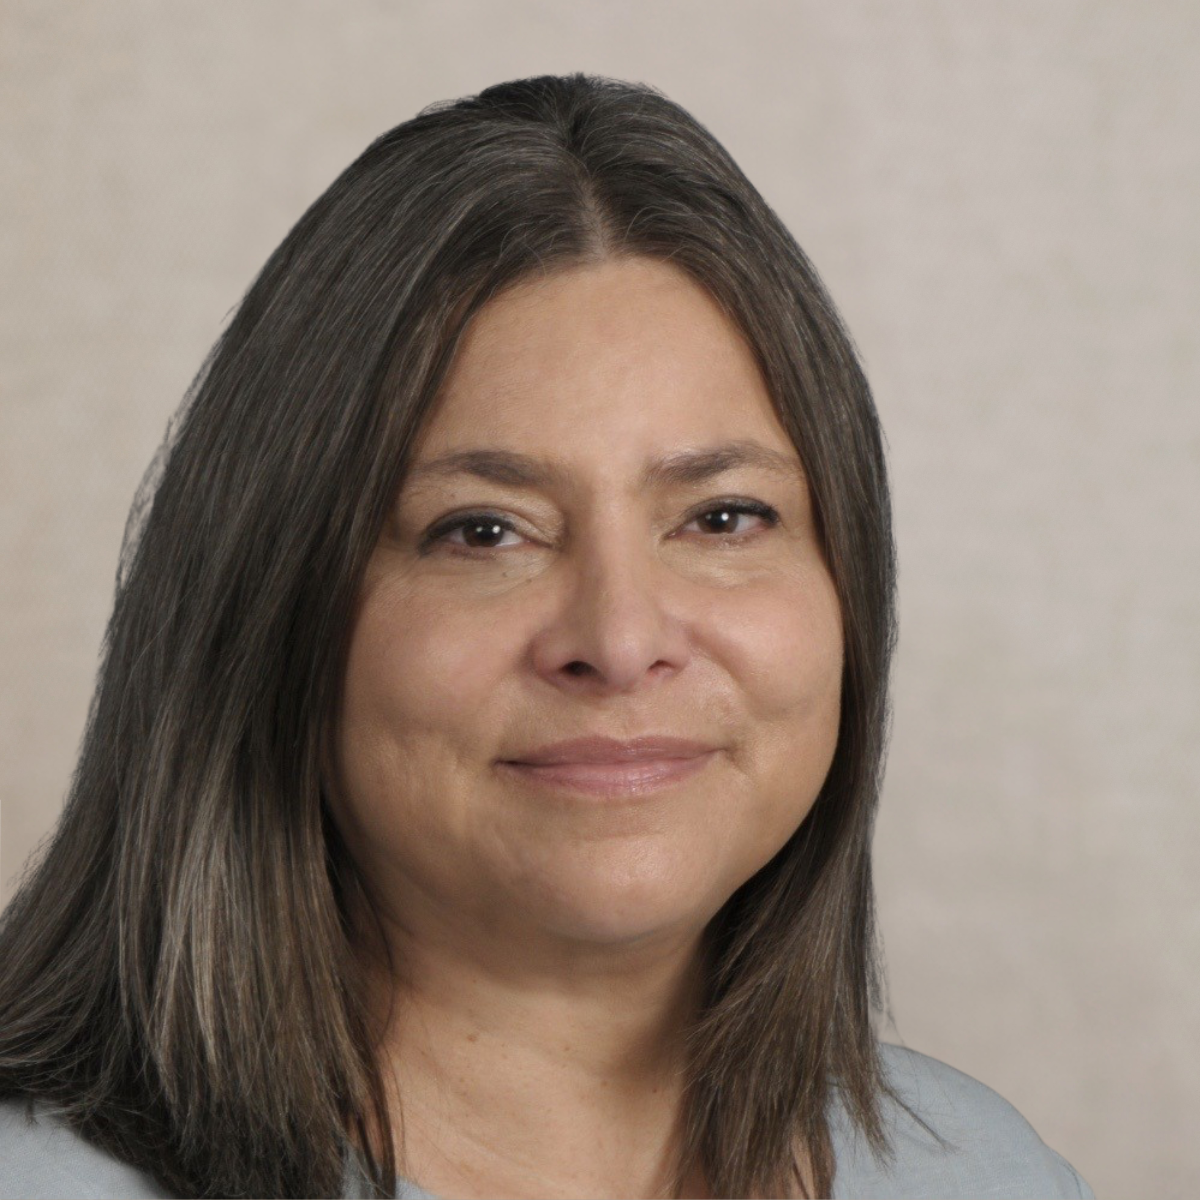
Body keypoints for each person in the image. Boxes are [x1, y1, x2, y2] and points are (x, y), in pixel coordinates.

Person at [0, 73, 1092, 1200]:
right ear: (271, 610)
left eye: (722, 518)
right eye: (483, 531)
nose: (619, 640)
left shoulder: (988, 1176)